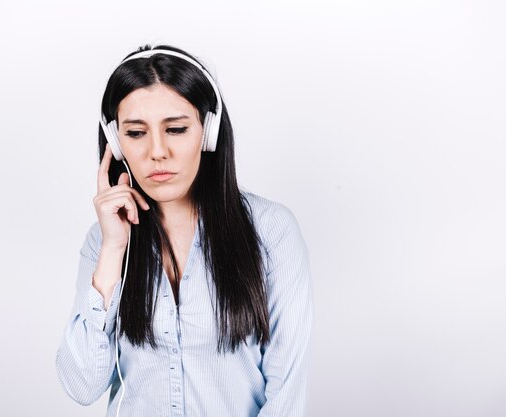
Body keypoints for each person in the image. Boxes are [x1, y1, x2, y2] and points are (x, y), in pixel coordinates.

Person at [55, 44, 314, 417]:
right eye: (136, 133)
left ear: (207, 133)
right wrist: (113, 249)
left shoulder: (271, 231)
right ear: (115, 142)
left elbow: (285, 395)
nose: (157, 152)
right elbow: (82, 385)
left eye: (176, 129)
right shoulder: (103, 242)